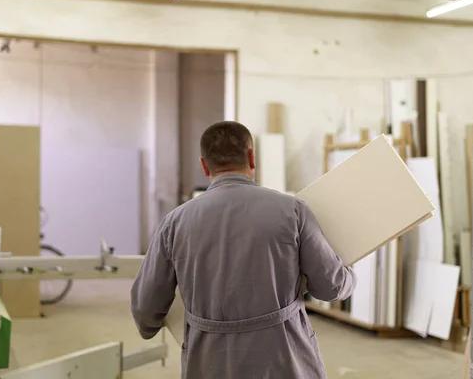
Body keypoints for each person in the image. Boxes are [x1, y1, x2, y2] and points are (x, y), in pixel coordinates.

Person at [131, 121, 357, 379]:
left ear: (204, 165)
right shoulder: (292, 211)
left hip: (208, 363)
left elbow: (145, 308)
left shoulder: (174, 222)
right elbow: (331, 286)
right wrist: (349, 274)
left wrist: (150, 327)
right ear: (252, 157)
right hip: (283, 360)